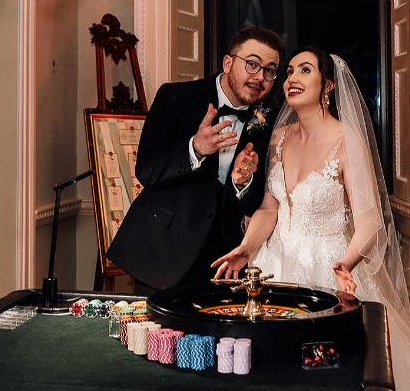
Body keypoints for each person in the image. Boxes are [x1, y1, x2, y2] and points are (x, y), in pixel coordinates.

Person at [212, 47, 410, 391]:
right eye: (290, 71)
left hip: (328, 272)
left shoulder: (348, 141)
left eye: (305, 70)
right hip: (275, 266)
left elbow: (370, 222)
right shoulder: (278, 138)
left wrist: (347, 263)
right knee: (270, 372)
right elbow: (269, 208)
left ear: (327, 85)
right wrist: (248, 248)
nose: (292, 78)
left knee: (328, 375)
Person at [107, 26, 284, 295]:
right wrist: (196, 148)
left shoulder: (268, 120)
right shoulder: (176, 97)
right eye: (252, 64)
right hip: (163, 255)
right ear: (228, 63)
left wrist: (243, 182)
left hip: (224, 264)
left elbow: (252, 204)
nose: (260, 77)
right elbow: (146, 170)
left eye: (269, 70)